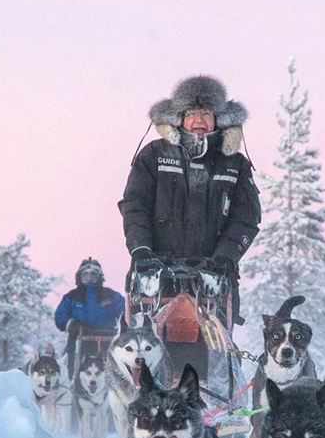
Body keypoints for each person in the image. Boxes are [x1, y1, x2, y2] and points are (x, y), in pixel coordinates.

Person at [118, 75, 262, 325]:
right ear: (179, 118)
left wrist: (225, 258)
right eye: (192, 113)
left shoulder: (235, 164)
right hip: (157, 273)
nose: (199, 120)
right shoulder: (154, 155)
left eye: (206, 113)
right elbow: (135, 206)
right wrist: (141, 250)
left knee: (214, 345)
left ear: (218, 119)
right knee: (148, 343)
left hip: (213, 276)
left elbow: (246, 218)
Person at [54, 257, 125, 375]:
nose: (89, 277)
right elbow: (60, 317)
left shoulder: (111, 296)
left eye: (93, 274)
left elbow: (125, 311)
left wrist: (124, 324)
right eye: (85, 274)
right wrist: (71, 324)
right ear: (79, 276)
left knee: (113, 368)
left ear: (99, 276)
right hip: (80, 338)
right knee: (72, 367)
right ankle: (72, 379)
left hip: (108, 338)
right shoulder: (71, 297)